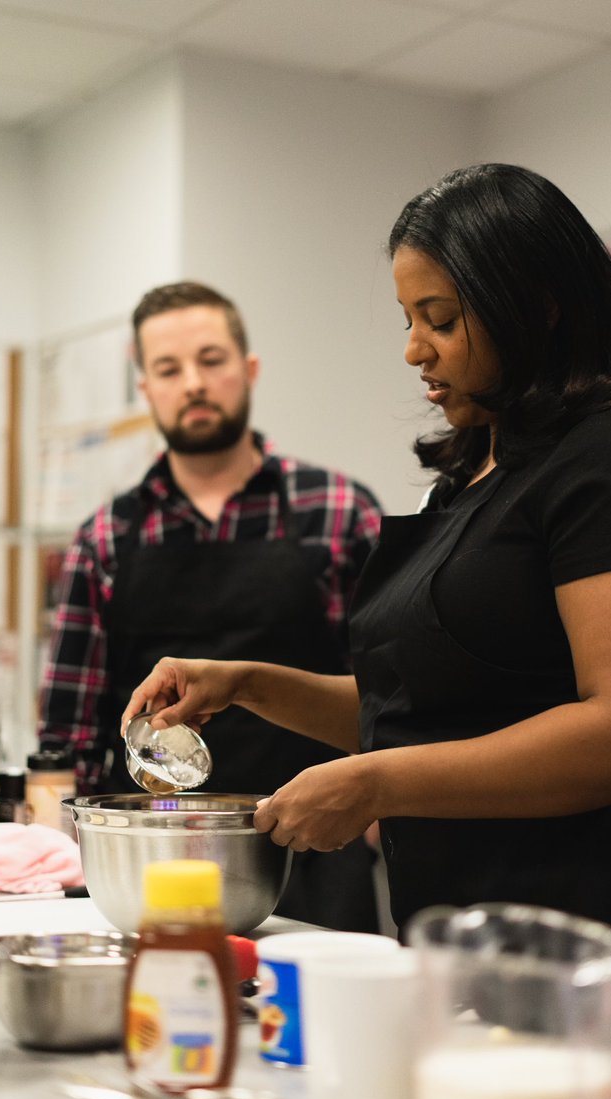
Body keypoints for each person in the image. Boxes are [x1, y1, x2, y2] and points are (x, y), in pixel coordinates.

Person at [120, 166, 611, 1001]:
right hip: (472, 924)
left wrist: (380, 782)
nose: (414, 349)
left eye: (440, 320)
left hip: (606, 935)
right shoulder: (477, 472)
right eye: (408, 319)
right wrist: (246, 685)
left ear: (537, 306)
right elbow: (423, 713)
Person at [38, 280, 384, 932]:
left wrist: (377, 813)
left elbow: (385, 695)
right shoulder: (106, 538)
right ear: (147, 390)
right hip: (149, 865)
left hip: (313, 848)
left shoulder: (338, 511)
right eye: (168, 369)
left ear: (248, 370)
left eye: (211, 360)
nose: (193, 382)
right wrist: (63, 855)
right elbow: (70, 733)